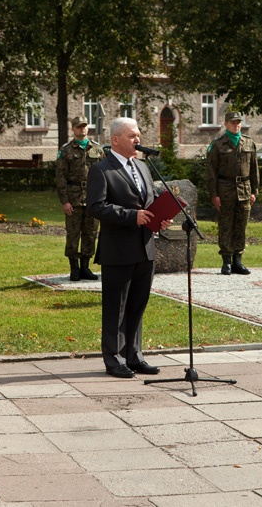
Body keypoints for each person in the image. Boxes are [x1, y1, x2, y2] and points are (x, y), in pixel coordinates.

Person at [86, 117, 171, 379]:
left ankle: (134, 356)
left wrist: (161, 217)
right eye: (132, 136)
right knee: (116, 308)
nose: (138, 139)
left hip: (145, 248)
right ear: (115, 140)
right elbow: (96, 207)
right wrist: (131, 216)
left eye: (138, 135)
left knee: (137, 305)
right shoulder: (102, 170)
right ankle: (114, 358)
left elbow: (150, 200)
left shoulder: (143, 167)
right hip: (118, 251)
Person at [205, 111, 259, 276]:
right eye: (233, 122)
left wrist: (254, 191)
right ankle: (226, 261)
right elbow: (211, 172)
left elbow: (254, 169)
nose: (236, 125)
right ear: (226, 124)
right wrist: (214, 194)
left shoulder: (249, 143)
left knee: (241, 225)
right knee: (225, 225)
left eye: (238, 122)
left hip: (244, 189)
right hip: (225, 189)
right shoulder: (217, 145)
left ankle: (238, 260)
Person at [56, 116, 105, 281]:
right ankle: (74, 268)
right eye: (78, 126)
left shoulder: (97, 149)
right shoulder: (66, 150)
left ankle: (85, 267)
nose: (82, 129)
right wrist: (65, 201)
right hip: (74, 198)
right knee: (73, 234)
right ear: (73, 129)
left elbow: (105, 174)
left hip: (92, 197)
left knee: (90, 233)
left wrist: (102, 197)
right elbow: (60, 177)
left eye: (84, 126)